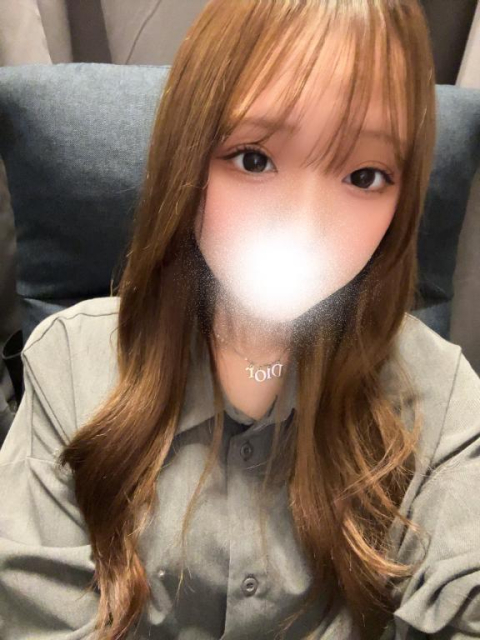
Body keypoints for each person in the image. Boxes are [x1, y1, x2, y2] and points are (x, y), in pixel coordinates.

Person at [1, 0, 479, 638]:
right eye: (254, 159)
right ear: (186, 159)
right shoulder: (69, 366)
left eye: (365, 175)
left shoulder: (440, 397)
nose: (305, 225)